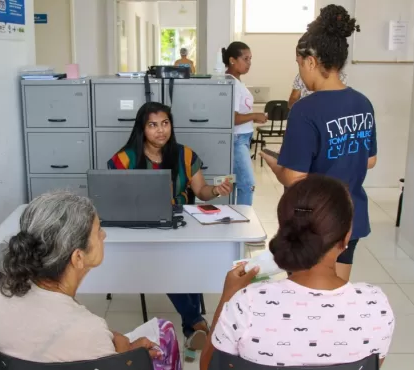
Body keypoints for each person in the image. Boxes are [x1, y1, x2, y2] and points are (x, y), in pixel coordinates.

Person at [200, 175, 395, 369]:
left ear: (285, 230)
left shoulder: (246, 304)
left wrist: (228, 296)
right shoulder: (376, 306)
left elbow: (208, 366)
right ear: (346, 237)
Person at [0, 192, 182, 370]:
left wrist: (114, 339)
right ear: (78, 258)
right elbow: (93, 345)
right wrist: (128, 349)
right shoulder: (89, 330)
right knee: (164, 333)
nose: (103, 235)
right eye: (98, 230)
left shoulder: (7, 291)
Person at [107, 102, 233, 359]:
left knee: (183, 259)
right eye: (153, 125)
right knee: (166, 261)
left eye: (165, 123)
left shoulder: (184, 155)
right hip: (143, 228)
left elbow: (201, 192)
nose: (160, 130)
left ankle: (194, 326)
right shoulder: (126, 158)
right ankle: (196, 324)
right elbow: (116, 196)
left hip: (181, 225)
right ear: (142, 129)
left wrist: (216, 191)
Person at [260, 5, 375, 281]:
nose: (300, 72)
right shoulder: (362, 102)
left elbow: (295, 177)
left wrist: (277, 166)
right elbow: (370, 159)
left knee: (305, 299)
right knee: (337, 292)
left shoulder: (305, 109)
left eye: (299, 64)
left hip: (314, 221)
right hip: (351, 215)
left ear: (311, 61)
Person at [222, 42, 267, 207]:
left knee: (239, 183)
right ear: (232, 60)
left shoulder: (237, 82)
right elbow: (231, 118)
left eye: (250, 59)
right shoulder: (231, 83)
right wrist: (254, 115)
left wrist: (253, 118)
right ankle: (243, 223)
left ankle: (237, 219)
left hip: (243, 138)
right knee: (247, 184)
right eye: (245, 59)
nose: (249, 63)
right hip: (237, 139)